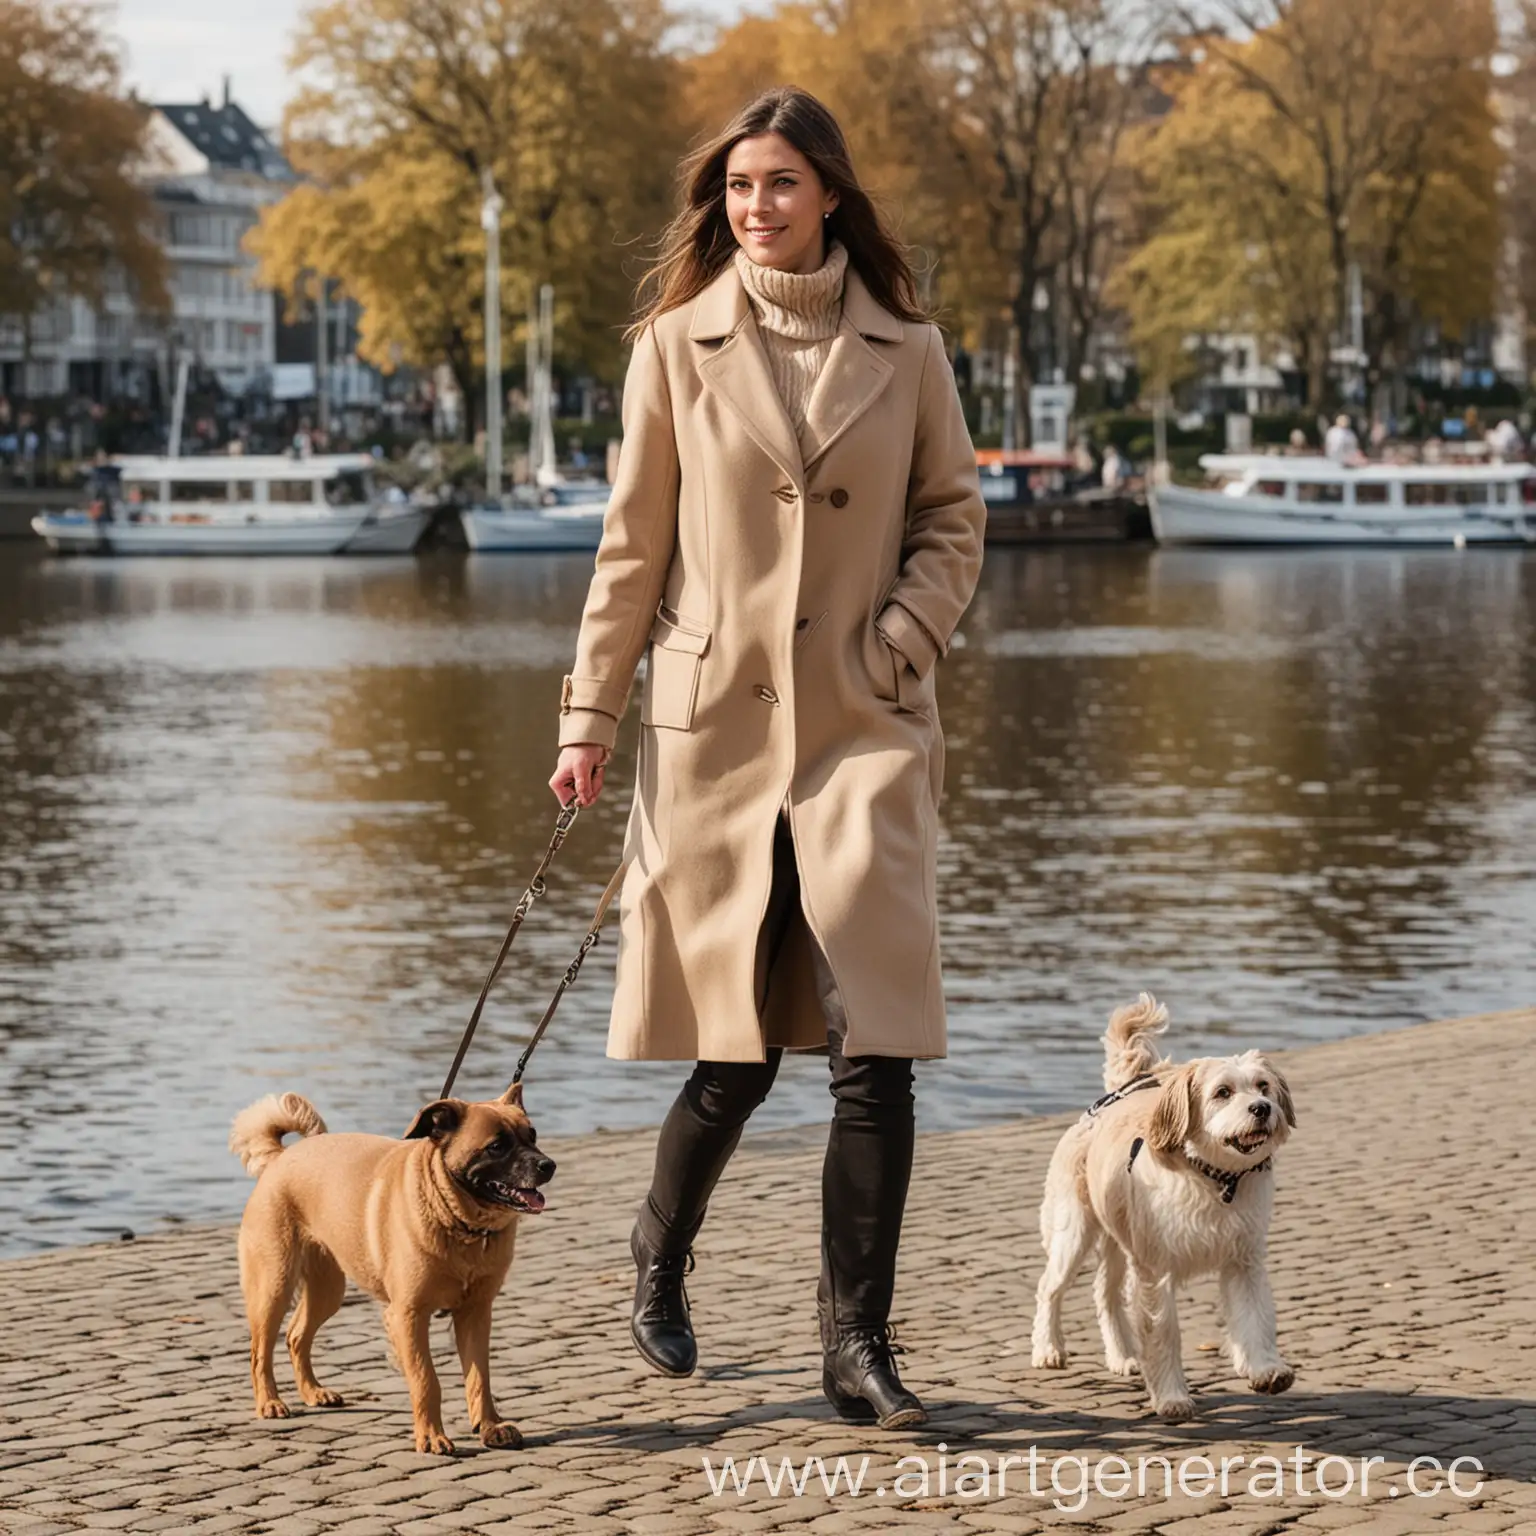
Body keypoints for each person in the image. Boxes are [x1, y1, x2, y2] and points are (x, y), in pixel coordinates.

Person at [548, 86, 985, 1430]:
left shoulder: (905, 346)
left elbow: (953, 517)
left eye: (784, 183)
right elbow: (632, 550)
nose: (760, 206)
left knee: (876, 1051)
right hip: (719, 741)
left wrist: (898, 639)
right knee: (733, 1051)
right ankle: (657, 1253)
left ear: (832, 194)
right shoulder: (676, 346)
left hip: (860, 731)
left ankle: (856, 1344)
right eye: (740, 187)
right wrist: (588, 717)